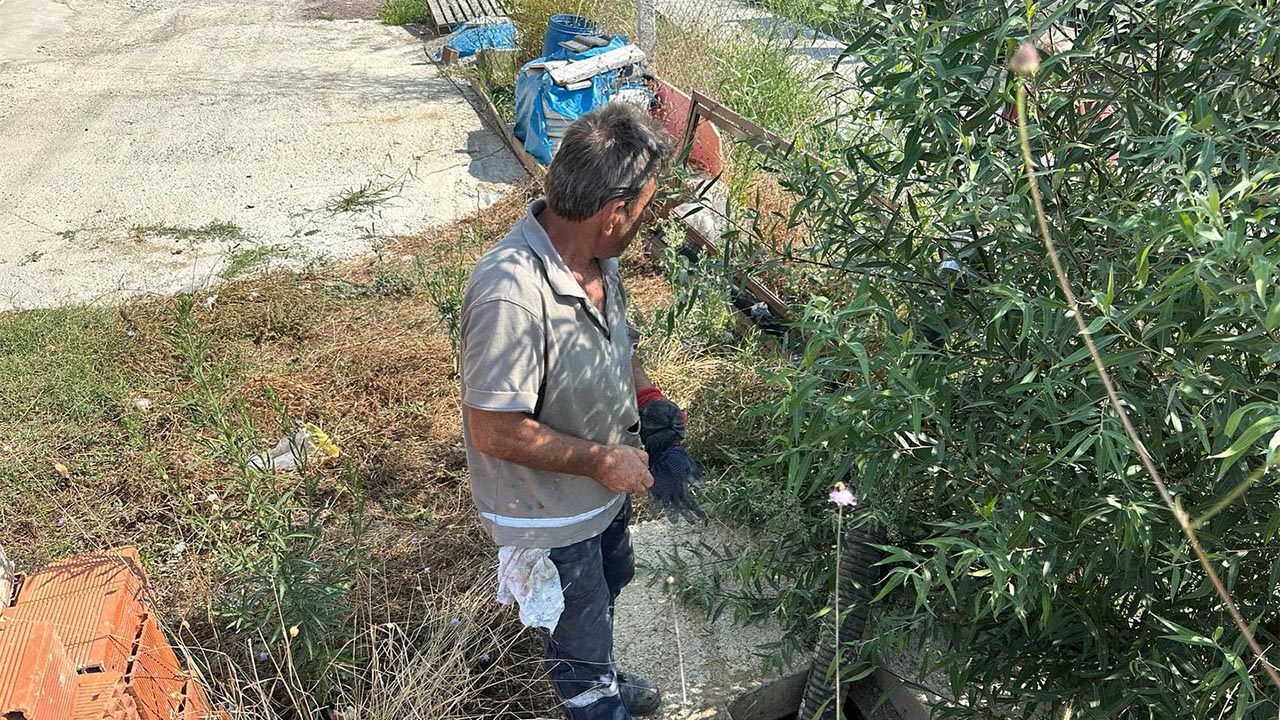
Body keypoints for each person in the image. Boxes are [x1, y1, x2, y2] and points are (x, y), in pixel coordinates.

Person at [459, 102, 705, 720]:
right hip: (549, 519)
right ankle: (594, 694)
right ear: (612, 212)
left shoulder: (598, 261)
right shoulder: (510, 295)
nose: (647, 224)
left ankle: (602, 672)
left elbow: (616, 350)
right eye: (645, 209)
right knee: (578, 646)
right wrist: (601, 460)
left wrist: (653, 411)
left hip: (600, 494)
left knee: (606, 590)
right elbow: (494, 429)